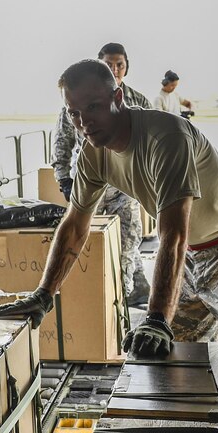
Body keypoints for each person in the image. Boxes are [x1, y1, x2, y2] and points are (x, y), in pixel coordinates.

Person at [0, 59, 218, 356]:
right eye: (74, 113)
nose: (84, 123)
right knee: (173, 356)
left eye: (93, 107)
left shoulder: (166, 137)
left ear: (118, 98)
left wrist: (155, 318)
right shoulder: (94, 153)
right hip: (189, 257)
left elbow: (173, 235)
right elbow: (76, 224)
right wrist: (43, 295)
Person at [50, 42, 151, 306]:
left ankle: (120, 307)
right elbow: (62, 143)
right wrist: (63, 179)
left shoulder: (138, 102)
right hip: (87, 188)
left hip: (124, 193)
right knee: (87, 252)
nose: (115, 69)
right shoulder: (75, 104)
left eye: (120, 64)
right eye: (109, 64)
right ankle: (99, 305)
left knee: (126, 249)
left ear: (126, 67)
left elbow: (150, 148)